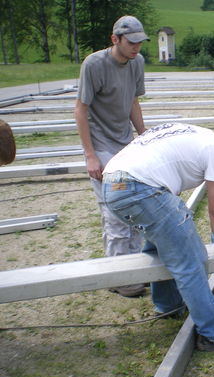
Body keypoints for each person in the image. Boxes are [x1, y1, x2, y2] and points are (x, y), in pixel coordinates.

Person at [102, 122, 214, 351]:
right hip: (138, 187)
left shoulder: (194, 133)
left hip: (112, 184)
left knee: (161, 246)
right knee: (192, 261)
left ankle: (168, 306)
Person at [75, 15, 149, 297]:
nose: (136, 48)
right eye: (131, 43)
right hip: (100, 143)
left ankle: (132, 267)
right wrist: (90, 155)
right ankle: (121, 277)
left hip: (124, 143)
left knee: (134, 205)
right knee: (114, 209)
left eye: (140, 43)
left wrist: (143, 137)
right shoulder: (94, 64)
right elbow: (81, 109)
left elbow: (132, 101)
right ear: (114, 39)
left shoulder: (137, 63)